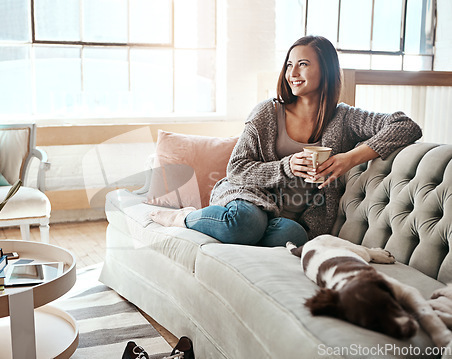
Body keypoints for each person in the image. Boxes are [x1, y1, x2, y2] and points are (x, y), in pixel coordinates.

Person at [150, 35, 422, 247]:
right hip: (248, 197)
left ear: (325, 69)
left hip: (286, 218)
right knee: (245, 222)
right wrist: (287, 166)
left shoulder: (345, 117)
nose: (293, 72)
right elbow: (237, 169)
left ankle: (234, 231)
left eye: (303, 64)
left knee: (292, 237)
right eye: (290, 64)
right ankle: (181, 218)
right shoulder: (268, 112)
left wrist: (348, 159)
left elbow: (405, 125)